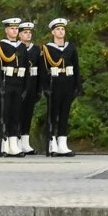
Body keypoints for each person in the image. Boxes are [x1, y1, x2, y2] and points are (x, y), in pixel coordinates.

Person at [41, 17, 82, 155]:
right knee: (53, 114)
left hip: (68, 82)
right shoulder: (47, 49)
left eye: (62, 29)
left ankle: (62, 143)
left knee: (65, 114)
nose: (61, 31)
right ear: (53, 32)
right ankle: (52, 143)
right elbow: (43, 70)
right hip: (55, 83)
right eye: (58, 29)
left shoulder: (70, 47)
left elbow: (76, 67)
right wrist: (45, 87)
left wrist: (77, 86)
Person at [0, 16, 29, 157]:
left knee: (15, 114)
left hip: (18, 82)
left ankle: (14, 144)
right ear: (6, 30)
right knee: (5, 114)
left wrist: (26, 87)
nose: (14, 31)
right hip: (6, 82)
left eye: (16, 29)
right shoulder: (0, 46)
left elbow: (26, 67)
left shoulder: (22, 47)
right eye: (12, 28)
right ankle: (4, 144)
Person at [18, 22, 42, 155]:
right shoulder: (17, 48)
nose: (28, 34)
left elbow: (40, 70)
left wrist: (39, 88)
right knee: (17, 114)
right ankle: (15, 140)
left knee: (28, 114)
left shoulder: (36, 49)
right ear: (20, 34)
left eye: (29, 32)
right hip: (19, 83)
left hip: (32, 83)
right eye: (25, 32)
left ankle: (25, 142)